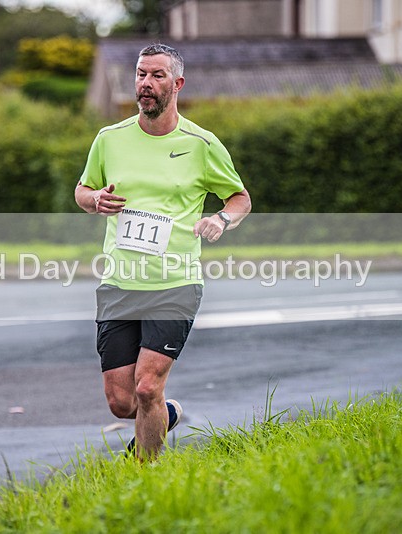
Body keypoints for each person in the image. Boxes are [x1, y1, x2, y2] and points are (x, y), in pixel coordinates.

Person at [75, 43, 251, 460]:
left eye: (156, 76)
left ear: (177, 84)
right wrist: (95, 199)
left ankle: (145, 477)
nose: (146, 84)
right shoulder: (109, 139)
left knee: (146, 386)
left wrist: (220, 219)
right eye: (140, 74)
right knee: (122, 401)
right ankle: (163, 415)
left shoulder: (202, 144)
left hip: (175, 281)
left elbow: (239, 198)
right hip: (120, 282)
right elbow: (82, 190)